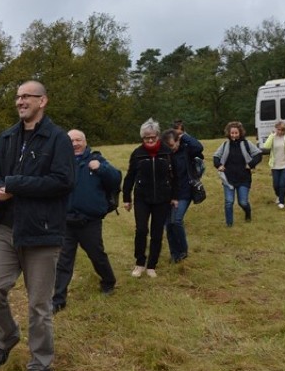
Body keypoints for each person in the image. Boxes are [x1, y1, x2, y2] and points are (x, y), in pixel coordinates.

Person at [0, 80, 75, 371]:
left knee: (39, 306)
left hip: (42, 232)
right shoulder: (5, 138)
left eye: (26, 97)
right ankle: (7, 337)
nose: (20, 102)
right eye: (17, 97)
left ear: (42, 101)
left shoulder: (57, 139)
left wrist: (16, 185)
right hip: (6, 228)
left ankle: (40, 367)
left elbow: (63, 181)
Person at [52, 129, 120, 313]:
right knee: (63, 261)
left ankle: (108, 281)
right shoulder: (60, 162)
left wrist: (100, 168)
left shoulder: (96, 159)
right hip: (66, 221)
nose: (74, 144)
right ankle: (58, 299)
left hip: (89, 221)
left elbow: (116, 179)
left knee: (96, 255)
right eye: (71, 140)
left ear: (85, 141)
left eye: (78, 140)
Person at [122, 118, 178, 278]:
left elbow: (175, 176)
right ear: (142, 138)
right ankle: (140, 263)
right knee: (141, 230)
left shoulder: (167, 152)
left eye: (153, 136)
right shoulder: (137, 154)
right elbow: (130, 176)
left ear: (158, 136)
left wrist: (174, 196)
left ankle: (152, 265)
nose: (150, 140)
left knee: (157, 233)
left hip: (162, 199)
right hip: (142, 198)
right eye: (147, 137)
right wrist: (127, 198)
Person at [162, 126, 204, 263]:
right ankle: (174, 254)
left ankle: (183, 250)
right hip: (168, 193)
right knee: (168, 224)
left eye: (172, 145)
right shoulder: (164, 154)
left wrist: (184, 135)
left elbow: (199, 147)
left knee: (177, 220)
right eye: (167, 145)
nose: (170, 148)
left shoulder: (187, 149)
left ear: (178, 141)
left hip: (185, 192)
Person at [213, 121, 262, 226]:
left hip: (244, 178)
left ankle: (247, 212)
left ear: (240, 132)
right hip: (228, 178)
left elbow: (258, 154)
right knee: (229, 202)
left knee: (242, 202)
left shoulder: (246, 144)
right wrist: (219, 165)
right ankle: (229, 224)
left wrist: (251, 164)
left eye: (236, 133)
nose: (234, 135)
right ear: (229, 133)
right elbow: (216, 156)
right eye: (232, 133)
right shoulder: (225, 145)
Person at [261, 120, 285, 209]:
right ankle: (278, 195)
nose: (280, 132)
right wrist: (271, 136)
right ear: (276, 129)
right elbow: (266, 146)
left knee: (282, 183)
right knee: (275, 184)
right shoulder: (272, 137)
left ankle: (282, 201)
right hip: (275, 165)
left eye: (282, 130)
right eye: (279, 130)